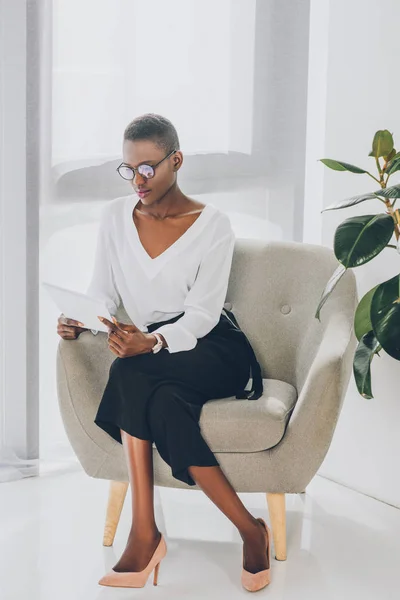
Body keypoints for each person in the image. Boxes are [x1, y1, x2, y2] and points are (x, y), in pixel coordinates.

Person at [56, 113, 270, 591]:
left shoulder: (212, 224)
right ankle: (249, 530)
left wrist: (152, 341)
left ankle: (145, 533)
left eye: (149, 167)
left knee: (134, 373)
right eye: (129, 169)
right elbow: (103, 294)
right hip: (157, 357)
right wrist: (81, 319)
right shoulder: (115, 217)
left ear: (176, 160)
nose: (138, 180)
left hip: (214, 349)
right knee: (164, 403)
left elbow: (202, 314)